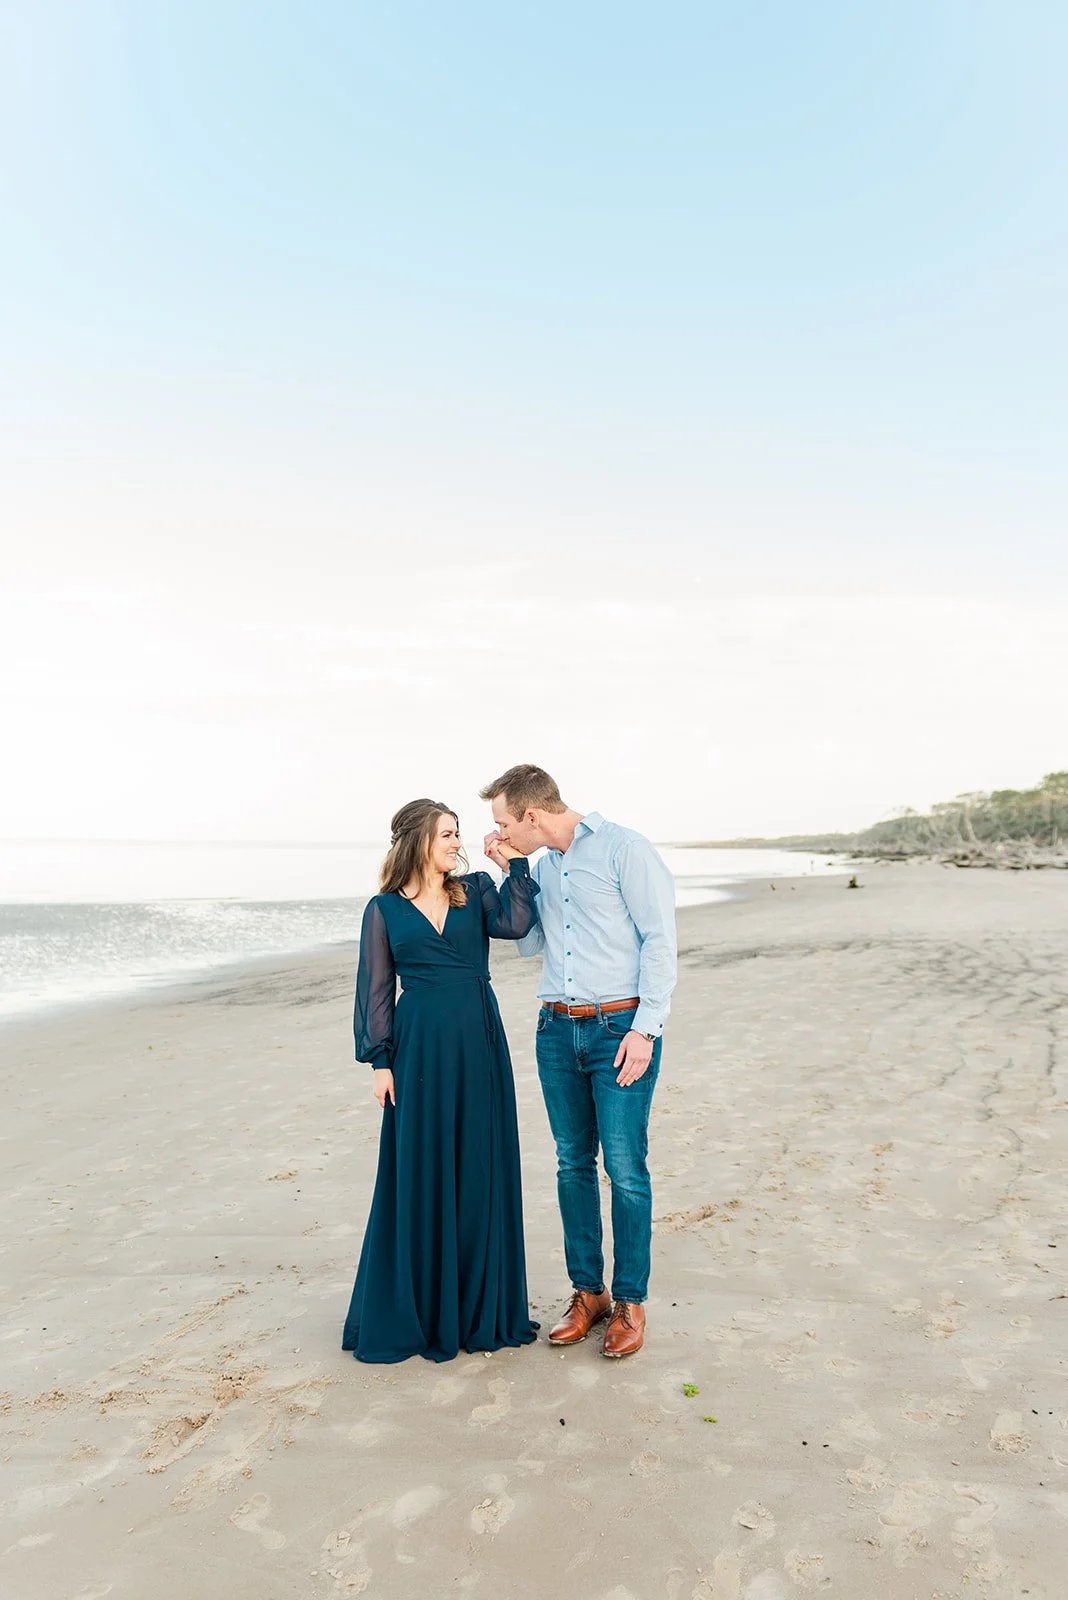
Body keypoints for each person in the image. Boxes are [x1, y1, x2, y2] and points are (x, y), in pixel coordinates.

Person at [480, 765, 677, 1358]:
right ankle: (588, 1293)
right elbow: (530, 946)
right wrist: (511, 872)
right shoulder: (542, 867)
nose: (499, 833)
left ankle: (630, 1301)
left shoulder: (625, 849)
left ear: (531, 816)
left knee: (625, 1167)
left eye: (503, 824)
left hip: (620, 1029)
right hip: (555, 1029)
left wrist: (646, 1030)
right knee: (572, 1164)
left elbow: (660, 941)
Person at [342, 798, 541, 1364]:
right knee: (419, 1167)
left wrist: (513, 865)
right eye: (447, 834)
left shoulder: (475, 890)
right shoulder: (384, 908)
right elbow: (375, 989)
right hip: (418, 1050)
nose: (458, 843)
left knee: (478, 1163)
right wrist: (380, 1062)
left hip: (477, 1043)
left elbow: (517, 924)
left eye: (457, 834)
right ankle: (422, 1309)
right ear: (418, 841)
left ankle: (475, 1308)